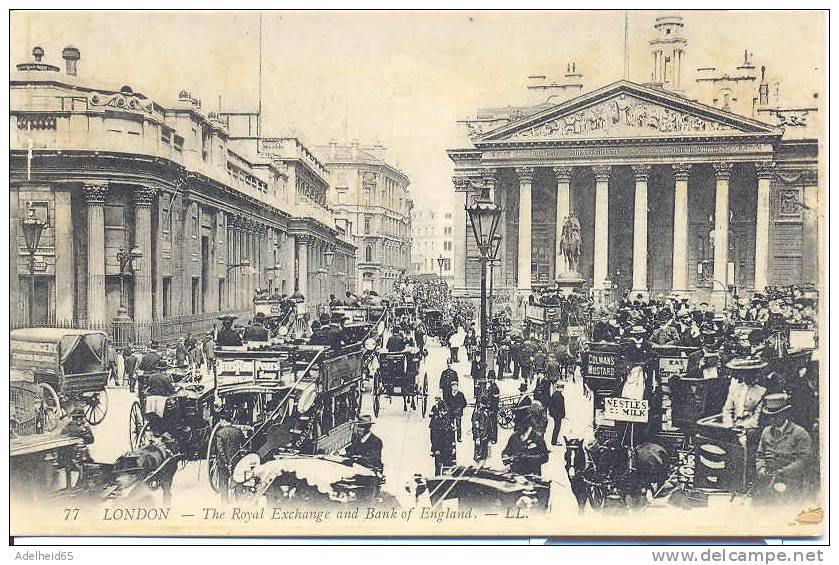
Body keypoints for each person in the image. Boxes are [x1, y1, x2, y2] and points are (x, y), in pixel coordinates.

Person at [755, 393, 813, 502]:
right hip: (768, 479)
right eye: (770, 415)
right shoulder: (766, 432)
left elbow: (804, 460)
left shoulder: (800, 433)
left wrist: (782, 472)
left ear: (785, 414)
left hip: (791, 480)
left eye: (776, 415)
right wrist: (761, 468)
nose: (772, 419)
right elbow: (760, 455)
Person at [429, 398, 456, 475]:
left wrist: (453, 447)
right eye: (444, 411)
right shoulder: (435, 421)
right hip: (439, 449)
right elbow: (433, 437)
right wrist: (436, 449)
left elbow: (451, 435)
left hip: (448, 448)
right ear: (440, 411)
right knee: (438, 467)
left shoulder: (448, 420)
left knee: (447, 468)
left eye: (446, 410)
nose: (445, 412)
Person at [472, 396, 491, 464]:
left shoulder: (487, 412)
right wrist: (477, 437)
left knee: (485, 454)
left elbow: (489, 425)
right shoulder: (477, 413)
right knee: (478, 454)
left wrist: (490, 437)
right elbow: (475, 427)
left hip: (485, 436)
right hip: (480, 436)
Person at [548, 382, 567, 446]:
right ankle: (554, 441)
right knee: (557, 428)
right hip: (557, 415)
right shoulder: (558, 396)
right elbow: (559, 407)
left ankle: (554, 440)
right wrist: (561, 414)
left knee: (556, 427)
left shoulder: (555, 394)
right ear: (560, 388)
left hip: (556, 415)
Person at [485, 370, 500, 444]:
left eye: (490, 378)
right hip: (490, 408)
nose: (489, 380)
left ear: (493, 379)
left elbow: (495, 401)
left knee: (493, 424)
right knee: (489, 423)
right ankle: (490, 437)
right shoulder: (491, 387)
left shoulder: (495, 388)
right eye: (489, 378)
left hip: (493, 409)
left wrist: (492, 410)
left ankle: (494, 438)